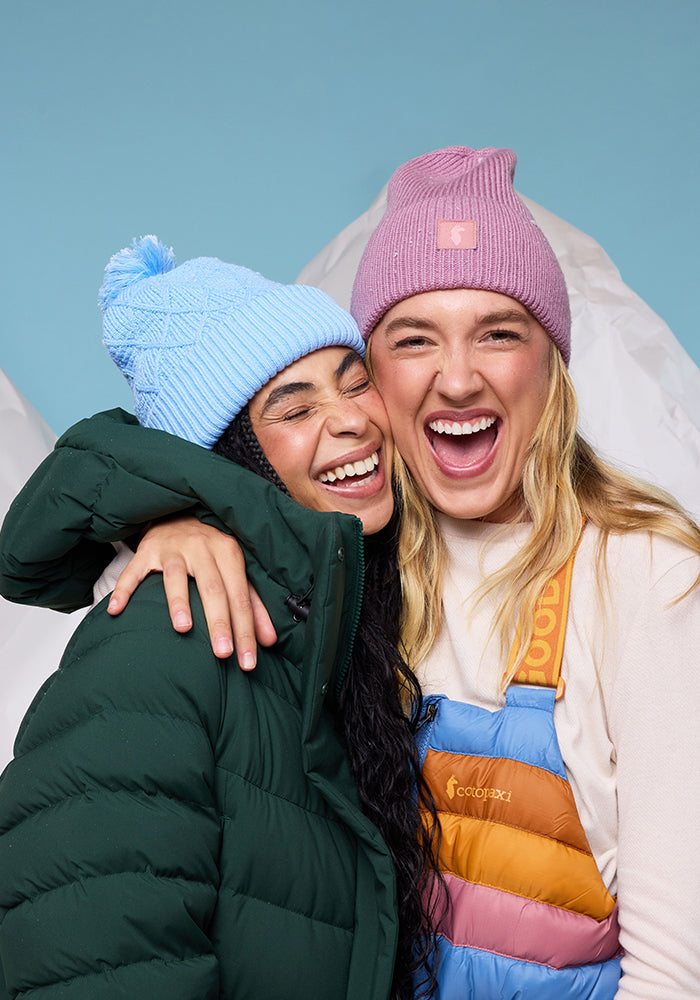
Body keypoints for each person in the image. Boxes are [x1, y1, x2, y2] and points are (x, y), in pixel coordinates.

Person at [3, 148, 700, 998]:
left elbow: (674, 972)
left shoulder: (641, 576)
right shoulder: (342, 577)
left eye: (499, 332)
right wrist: (167, 520)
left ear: (551, 365)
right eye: (413, 341)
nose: (457, 377)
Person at [0, 238, 442, 1000]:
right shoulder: (160, 643)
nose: (351, 421)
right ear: (228, 456)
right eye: (295, 408)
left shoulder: (339, 623)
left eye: (356, 382)